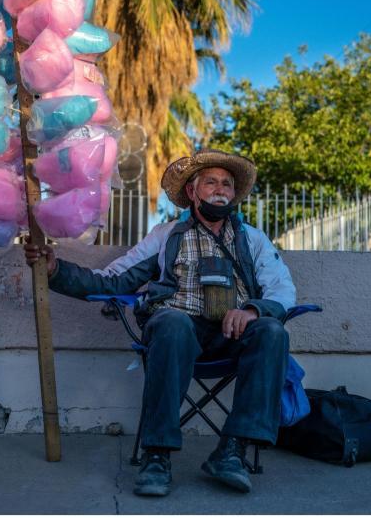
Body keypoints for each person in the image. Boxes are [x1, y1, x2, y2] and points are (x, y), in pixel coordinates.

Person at [24, 149, 296, 496]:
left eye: (227, 184)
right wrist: (56, 271)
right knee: (172, 323)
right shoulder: (166, 235)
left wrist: (253, 311)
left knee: (272, 331)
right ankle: (157, 456)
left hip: (233, 334)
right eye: (211, 182)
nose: (221, 189)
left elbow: (282, 290)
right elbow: (113, 281)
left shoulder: (252, 239)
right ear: (192, 192)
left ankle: (232, 451)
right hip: (177, 332)